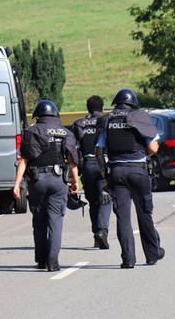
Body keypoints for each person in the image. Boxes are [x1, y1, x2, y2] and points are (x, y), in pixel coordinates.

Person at [95, 88, 165, 268]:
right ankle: (152, 254)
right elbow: (154, 148)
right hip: (138, 170)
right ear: (133, 103)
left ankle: (128, 259)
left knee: (123, 217)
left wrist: (104, 172)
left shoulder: (108, 120)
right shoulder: (139, 117)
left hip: (116, 172)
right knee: (145, 214)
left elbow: (98, 150)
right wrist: (143, 153)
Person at [13, 100, 79, 272]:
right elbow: (72, 161)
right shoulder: (65, 132)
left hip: (37, 181)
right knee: (55, 221)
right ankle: (52, 261)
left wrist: (17, 184)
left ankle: (41, 260)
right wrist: (75, 181)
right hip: (58, 180)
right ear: (55, 115)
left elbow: (24, 160)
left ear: (38, 115)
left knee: (39, 220)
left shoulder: (30, 132)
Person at [71, 95, 111, 249]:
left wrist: (74, 173)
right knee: (106, 198)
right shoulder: (107, 121)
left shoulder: (79, 124)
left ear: (88, 109)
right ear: (102, 108)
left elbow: (73, 149)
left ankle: (96, 235)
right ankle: (102, 231)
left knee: (93, 202)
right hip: (103, 164)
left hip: (87, 166)